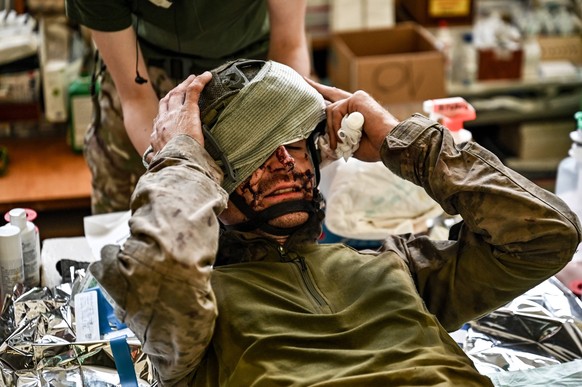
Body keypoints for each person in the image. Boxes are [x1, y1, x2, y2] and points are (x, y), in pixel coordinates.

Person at [89, 59, 582, 386]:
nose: (285, 160)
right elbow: (159, 271)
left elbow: (545, 235)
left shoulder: (398, 268)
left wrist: (400, 142)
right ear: (211, 176)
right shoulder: (198, 312)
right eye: (256, 151)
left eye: (295, 140)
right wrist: (181, 159)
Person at [65, 0, 311, 214]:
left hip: (253, 76)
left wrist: (267, 145)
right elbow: (135, 98)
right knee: (137, 218)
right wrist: (182, 173)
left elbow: (289, 46)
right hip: (144, 71)